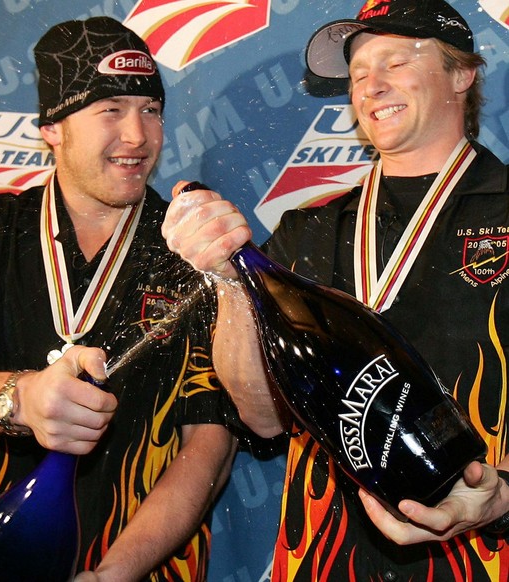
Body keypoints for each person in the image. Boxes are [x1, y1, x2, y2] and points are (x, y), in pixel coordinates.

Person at [161, 0, 509, 579]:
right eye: (356, 75)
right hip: (325, 559)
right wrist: (226, 280)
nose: (371, 85)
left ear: (461, 73)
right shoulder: (306, 228)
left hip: (484, 554)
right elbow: (263, 415)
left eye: (395, 63)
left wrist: (502, 498)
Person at [0, 17, 238, 582]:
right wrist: (18, 400)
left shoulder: (192, 250)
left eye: (151, 109)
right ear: (53, 126)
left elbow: (210, 444)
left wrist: (114, 573)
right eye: (111, 110)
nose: (138, 136)